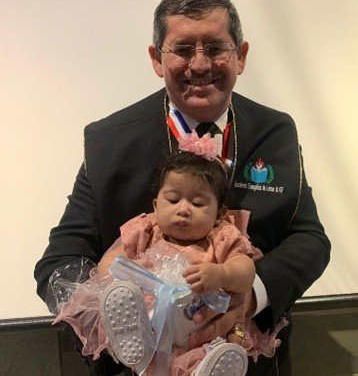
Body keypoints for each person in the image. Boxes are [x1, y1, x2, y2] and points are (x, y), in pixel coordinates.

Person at [35, 0, 331, 375]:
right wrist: (113, 322)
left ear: (241, 56)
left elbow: (309, 239)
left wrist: (250, 296)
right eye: (183, 49)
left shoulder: (276, 130)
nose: (200, 64)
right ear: (157, 59)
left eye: (215, 47)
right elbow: (59, 261)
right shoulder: (108, 140)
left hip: (246, 360)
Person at [52, 138, 286, 375]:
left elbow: (245, 270)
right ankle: (133, 337)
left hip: (196, 323)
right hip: (146, 316)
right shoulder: (145, 229)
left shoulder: (222, 236)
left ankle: (204, 369)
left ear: (219, 214)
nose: (183, 209)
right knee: (123, 310)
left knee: (202, 352)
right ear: (156, 205)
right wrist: (121, 276)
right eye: (173, 200)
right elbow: (112, 260)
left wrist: (223, 274)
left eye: (197, 203)